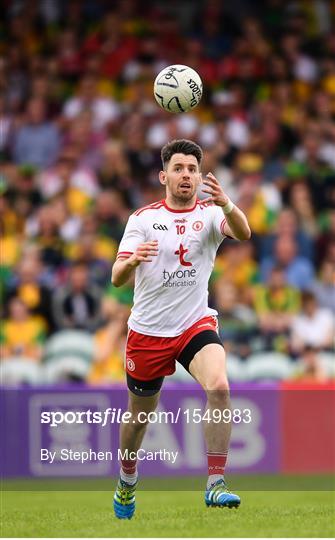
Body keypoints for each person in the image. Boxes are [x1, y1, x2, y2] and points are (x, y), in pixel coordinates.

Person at [111, 139, 251, 519]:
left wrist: (227, 203)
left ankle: (215, 483)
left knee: (219, 386)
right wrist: (133, 260)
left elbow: (243, 232)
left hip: (194, 323)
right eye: (178, 168)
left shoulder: (210, 214)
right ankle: (126, 481)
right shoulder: (142, 219)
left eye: (192, 169)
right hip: (149, 332)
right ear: (164, 175)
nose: (186, 175)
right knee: (138, 420)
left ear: (200, 176)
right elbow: (117, 277)